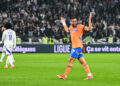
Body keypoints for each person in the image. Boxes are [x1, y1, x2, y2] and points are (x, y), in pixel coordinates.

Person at [57, 13, 93, 80]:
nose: (74, 22)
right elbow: (67, 30)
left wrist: (89, 18)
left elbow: (90, 28)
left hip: (78, 47)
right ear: (71, 22)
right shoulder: (70, 27)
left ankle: (65, 76)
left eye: (75, 21)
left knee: (70, 60)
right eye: (73, 21)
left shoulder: (80, 26)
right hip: (74, 47)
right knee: (82, 61)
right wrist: (63, 23)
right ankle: (90, 75)